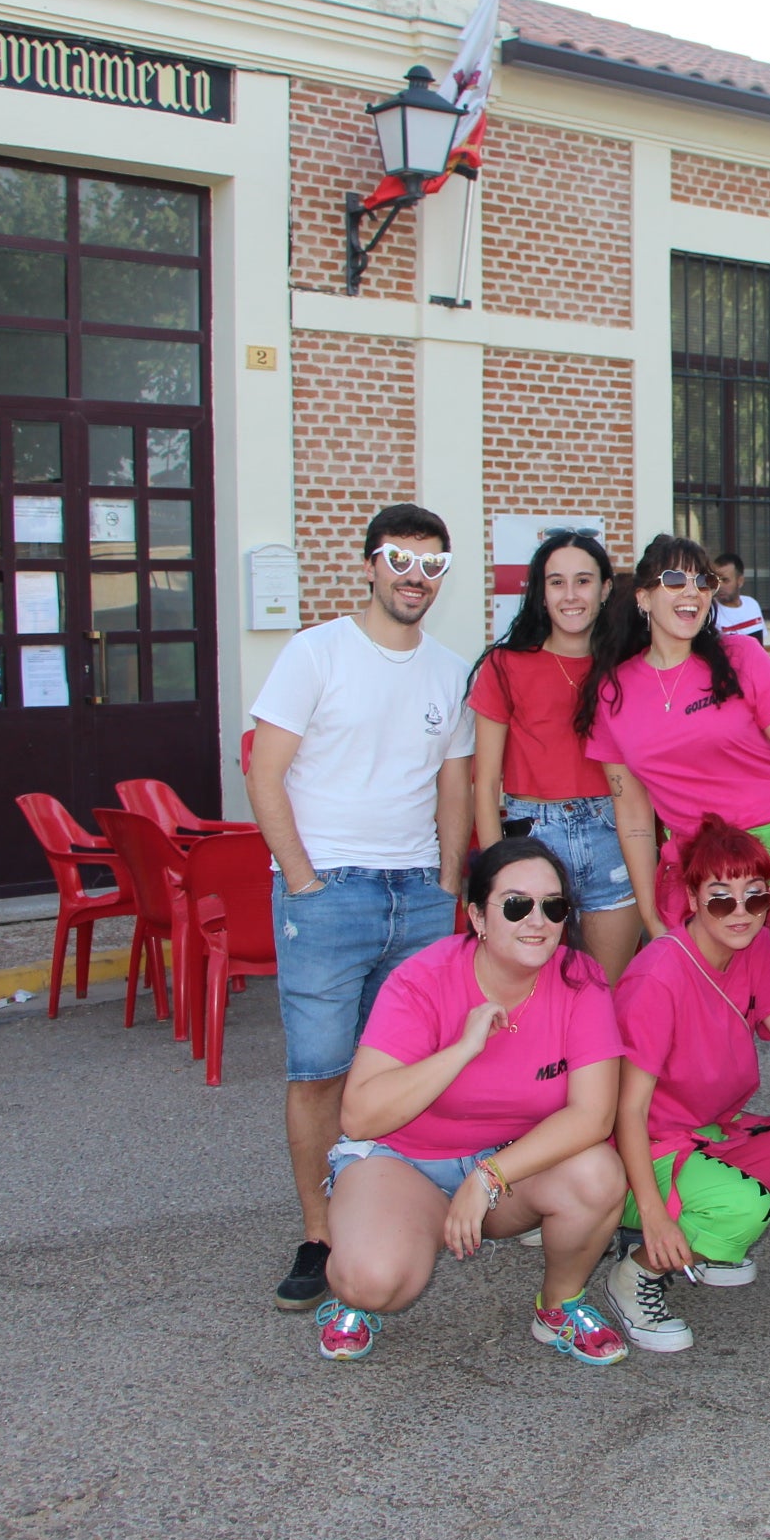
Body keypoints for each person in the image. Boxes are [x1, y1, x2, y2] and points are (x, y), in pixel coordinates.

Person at [248, 503, 477, 1311]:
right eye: (400, 561)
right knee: (319, 1073)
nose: (415, 578)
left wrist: (448, 884)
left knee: (397, 1074)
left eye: (431, 566)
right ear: (369, 565)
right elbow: (264, 772)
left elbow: (453, 783)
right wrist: (303, 880)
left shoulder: (451, 671)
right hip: (330, 893)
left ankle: (376, 1218)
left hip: (417, 894)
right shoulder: (315, 653)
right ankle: (321, 1236)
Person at [578, 536, 770, 1161]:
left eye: (703, 582)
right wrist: (652, 915)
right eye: (675, 580)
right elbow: (633, 816)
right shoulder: (613, 692)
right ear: (645, 596)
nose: (692, 593)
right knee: (709, 1008)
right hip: (703, 865)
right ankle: (680, 1152)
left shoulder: (738, 657)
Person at [311, 837, 632, 1365]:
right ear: (478, 917)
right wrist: (461, 1050)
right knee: (373, 1282)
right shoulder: (422, 980)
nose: (538, 921)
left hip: (506, 1168)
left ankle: (558, 1306)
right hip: (404, 1162)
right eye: (516, 904)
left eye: (553, 906)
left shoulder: (581, 980)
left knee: (597, 1175)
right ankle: (367, 1273)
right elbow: (361, 1115)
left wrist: (487, 1177)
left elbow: (592, 1116)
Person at [607, 817, 770, 1350]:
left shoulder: (754, 951)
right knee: (743, 1207)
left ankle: (709, 1238)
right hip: (642, 1151)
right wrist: (656, 1217)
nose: (741, 913)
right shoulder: (659, 975)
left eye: (754, 897)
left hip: (710, 1132)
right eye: (721, 898)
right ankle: (635, 1271)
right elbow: (626, 1113)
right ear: (690, 897)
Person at [468, 528, 638, 983]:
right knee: (531, 990)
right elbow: (484, 782)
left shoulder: (628, 667)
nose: (570, 595)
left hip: (612, 834)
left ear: (604, 589)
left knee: (608, 991)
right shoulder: (504, 665)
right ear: (540, 593)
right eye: (556, 582)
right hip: (532, 835)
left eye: (583, 581)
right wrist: (494, 869)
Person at [710, 553, 767, 642]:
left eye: (725, 580)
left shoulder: (752, 605)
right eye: (716, 580)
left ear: (740, 581)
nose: (719, 586)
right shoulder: (711, 612)